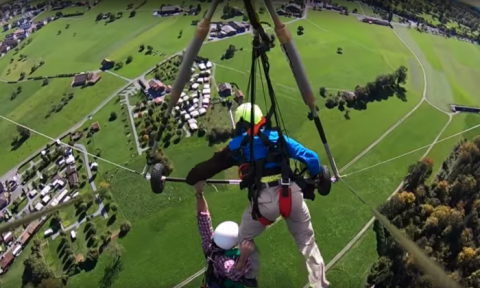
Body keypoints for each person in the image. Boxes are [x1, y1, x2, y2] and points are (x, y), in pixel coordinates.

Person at [186, 103, 331, 288]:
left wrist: (192, 179)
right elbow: (312, 159)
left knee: (244, 237)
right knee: (306, 240)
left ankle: (250, 276)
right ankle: (319, 283)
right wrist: (314, 176)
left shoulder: (237, 145)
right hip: (292, 195)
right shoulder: (279, 138)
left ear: (241, 124)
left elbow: (212, 164)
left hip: (264, 202)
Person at [193, 181, 258, 288]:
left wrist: (199, 193)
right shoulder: (223, 260)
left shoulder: (209, 244)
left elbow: (202, 215)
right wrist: (244, 255)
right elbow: (234, 273)